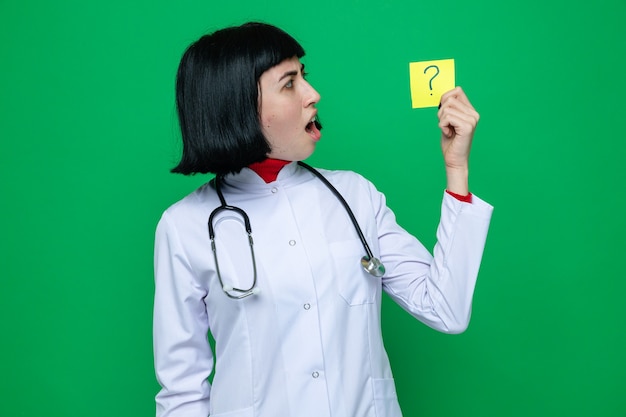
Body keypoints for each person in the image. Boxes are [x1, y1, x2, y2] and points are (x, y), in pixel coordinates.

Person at [153, 21, 493, 417]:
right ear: (239, 105)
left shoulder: (355, 196)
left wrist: (456, 168)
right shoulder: (185, 227)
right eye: (289, 83)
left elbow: (445, 309)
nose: (313, 94)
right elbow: (182, 392)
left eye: (305, 77)